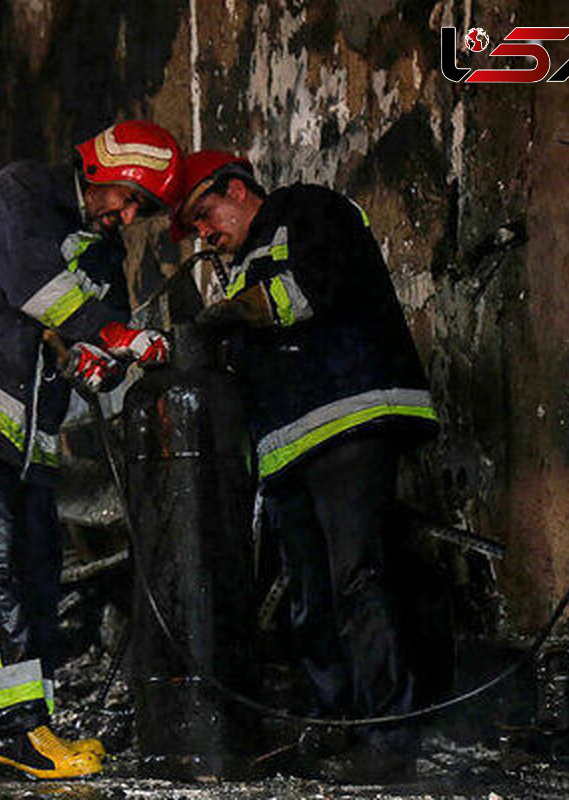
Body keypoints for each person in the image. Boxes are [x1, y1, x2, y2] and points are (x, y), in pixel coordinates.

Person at [0, 121, 183, 779]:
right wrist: (112, 332)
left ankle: (36, 727)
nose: (129, 215)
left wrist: (100, 362)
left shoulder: (105, 257)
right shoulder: (22, 189)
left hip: (28, 438)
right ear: (97, 167)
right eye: (128, 196)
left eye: (142, 209)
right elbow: (35, 282)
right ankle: (9, 732)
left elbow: (85, 343)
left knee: (34, 572)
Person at [172, 150, 440, 782]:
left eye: (206, 216)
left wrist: (230, 315)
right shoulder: (236, 270)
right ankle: (333, 725)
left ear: (237, 191)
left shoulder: (307, 211)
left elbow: (311, 290)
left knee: (358, 579)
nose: (205, 235)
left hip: (349, 419)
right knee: (309, 598)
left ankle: (389, 741)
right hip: (287, 450)